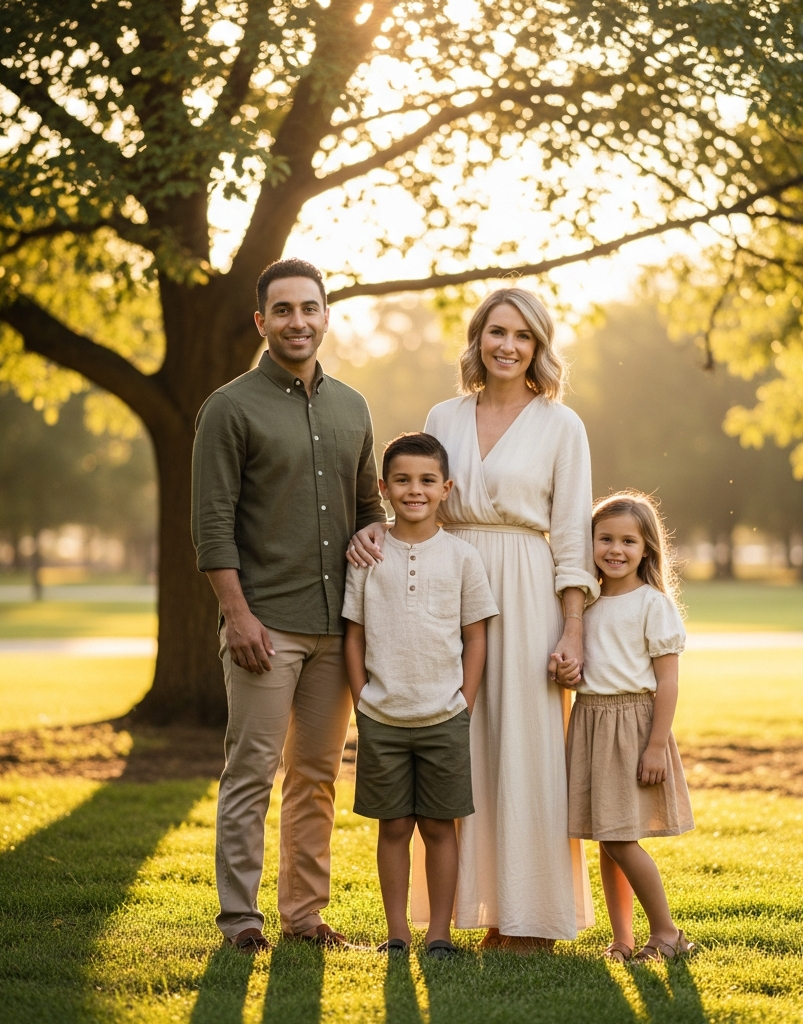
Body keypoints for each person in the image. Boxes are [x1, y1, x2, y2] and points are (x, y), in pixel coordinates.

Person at [349, 288, 598, 952]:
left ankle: (529, 918)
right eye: (497, 331)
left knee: (524, 749)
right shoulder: (445, 415)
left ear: (538, 347)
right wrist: (374, 531)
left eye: (522, 335)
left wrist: (572, 627)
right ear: (477, 338)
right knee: (459, 749)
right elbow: (417, 495)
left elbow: (572, 534)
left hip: (525, 590)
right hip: (443, 590)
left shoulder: (561, 425)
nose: (507, 346)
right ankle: (465, 913)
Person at [191, 257, 386, 953]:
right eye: (283, 310)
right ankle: (240, 919)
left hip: (337, 628)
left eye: (308, 308)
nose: (297, 322)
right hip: (266, 626)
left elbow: (370, 506)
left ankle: (304, 917)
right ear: (261, 321)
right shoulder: (230, 408)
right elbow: (212, 523)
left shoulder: (353, 407)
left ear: (326, 316)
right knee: (250, 772)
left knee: (316, 778)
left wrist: (373, 530)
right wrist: (238, 615)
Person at [342, 432, 498, 959]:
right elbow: (353, 636)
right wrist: (362, 699)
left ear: (445, 488)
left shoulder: (462, 557)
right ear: (383, 487)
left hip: (444, 717)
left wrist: (464, 702)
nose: (415, 490)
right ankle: (397, 934)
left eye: (427, 480)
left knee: (438, 825)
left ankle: (439, 935)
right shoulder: (367, 555)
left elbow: (476, 636)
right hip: (382, 717)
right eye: (403, 480)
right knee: (393, 826)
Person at [559, 491, 695, 963]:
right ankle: (622, 939)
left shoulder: (652, 604)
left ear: (646, 548)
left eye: (628, 541)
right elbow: (583, 665)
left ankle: (668, 933)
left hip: (632, 725)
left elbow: (668, 682)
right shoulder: (584, 603)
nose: (615, 549)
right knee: (607, 837)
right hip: (590, 721)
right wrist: (566, 671)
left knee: (620, 837)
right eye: (605, 539)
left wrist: (655, 746)